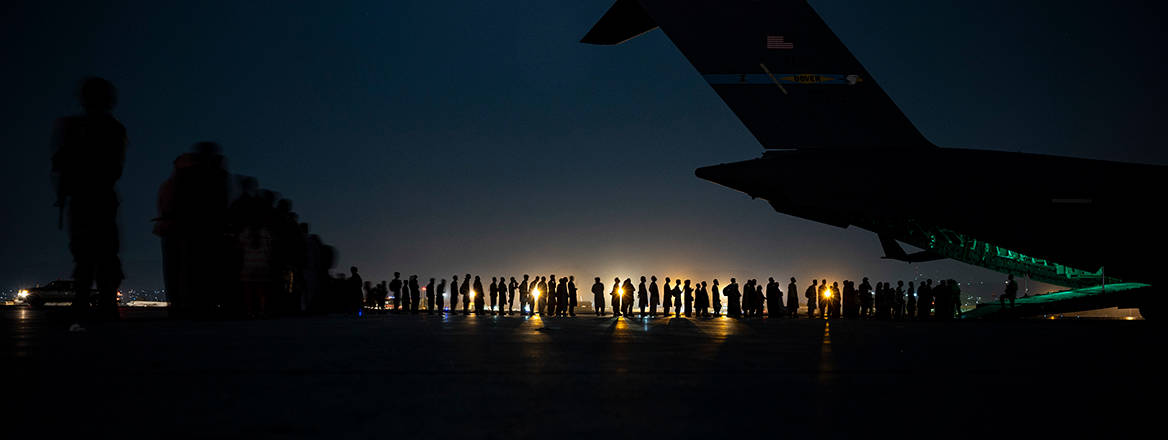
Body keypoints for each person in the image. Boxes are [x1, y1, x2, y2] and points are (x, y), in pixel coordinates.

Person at [53, 77, 127, 327]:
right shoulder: (114, 128)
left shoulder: (74, 127)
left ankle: (85, 303)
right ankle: (104, 304)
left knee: (86, 254)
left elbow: (61, 164)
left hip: (85, 197)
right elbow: (115, 168)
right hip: (100, 196)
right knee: (104, 252)